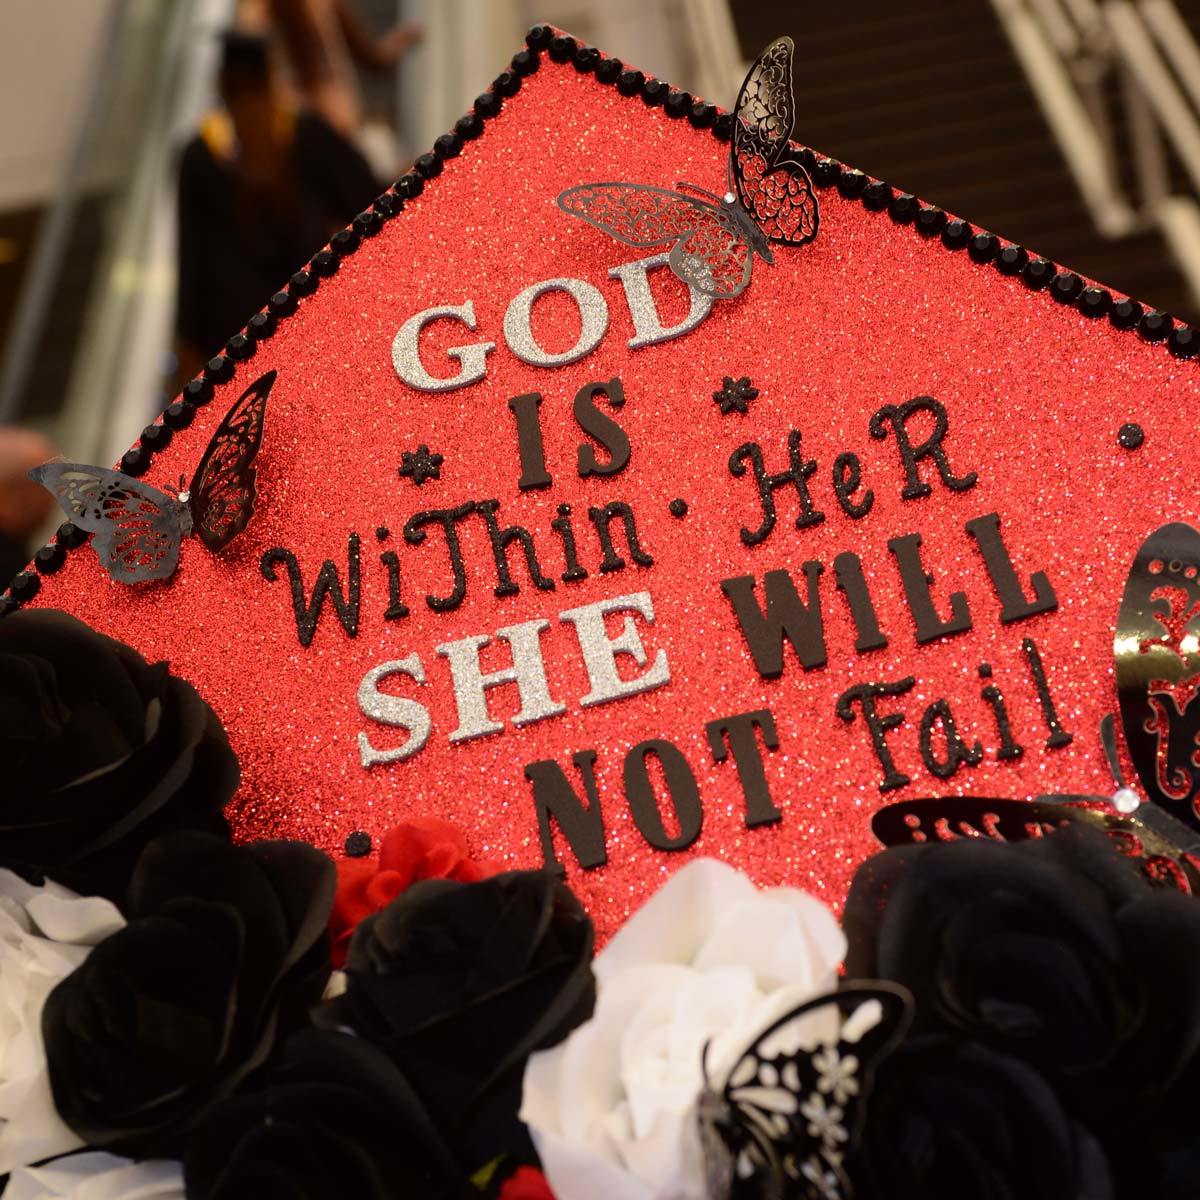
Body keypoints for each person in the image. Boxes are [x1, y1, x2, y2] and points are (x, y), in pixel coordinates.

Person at [175, 31, 380, 378]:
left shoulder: (201, 155)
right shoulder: (303, 134)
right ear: (271, 80)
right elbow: (368, 203)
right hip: (302, 328)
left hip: (247, 342)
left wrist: (188, 344)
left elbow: (191, 262)